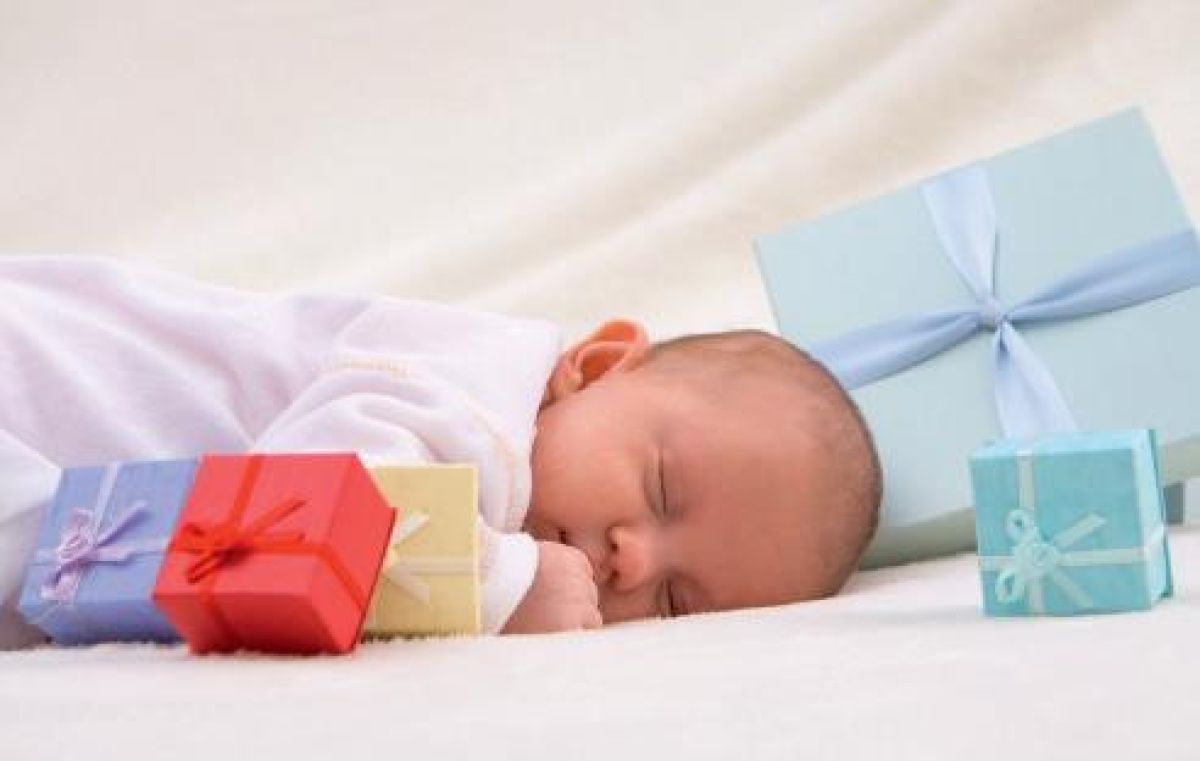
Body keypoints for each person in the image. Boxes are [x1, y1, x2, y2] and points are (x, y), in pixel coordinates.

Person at [0, 256, 881, 646]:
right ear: (597, 365)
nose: (633, 560)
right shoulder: (475, 395)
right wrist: (497, 582)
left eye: (675, 600)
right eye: (660, 486)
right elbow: (299, 507)